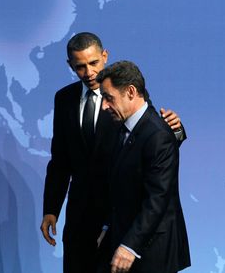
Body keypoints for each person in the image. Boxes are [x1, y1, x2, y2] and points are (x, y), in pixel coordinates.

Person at [40, 32, 186, 273]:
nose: (88, 72)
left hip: (117, 216)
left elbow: (152, 141)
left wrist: (177, 131)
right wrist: (51, 208)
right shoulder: (64, 99)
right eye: (80, 67)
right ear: (70, 66)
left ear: (104, 56)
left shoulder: (126, 94)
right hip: (80, 217)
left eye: (93, 63)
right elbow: (60, 160)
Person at [96, 60, 191, 273]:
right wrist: (107, 227)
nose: (104, 106)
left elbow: (157, 199)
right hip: (123, 237)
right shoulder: (121, 128)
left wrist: (130, 246)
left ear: (131, 92)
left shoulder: (157, 135)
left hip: (150, 251)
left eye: (108, 98)